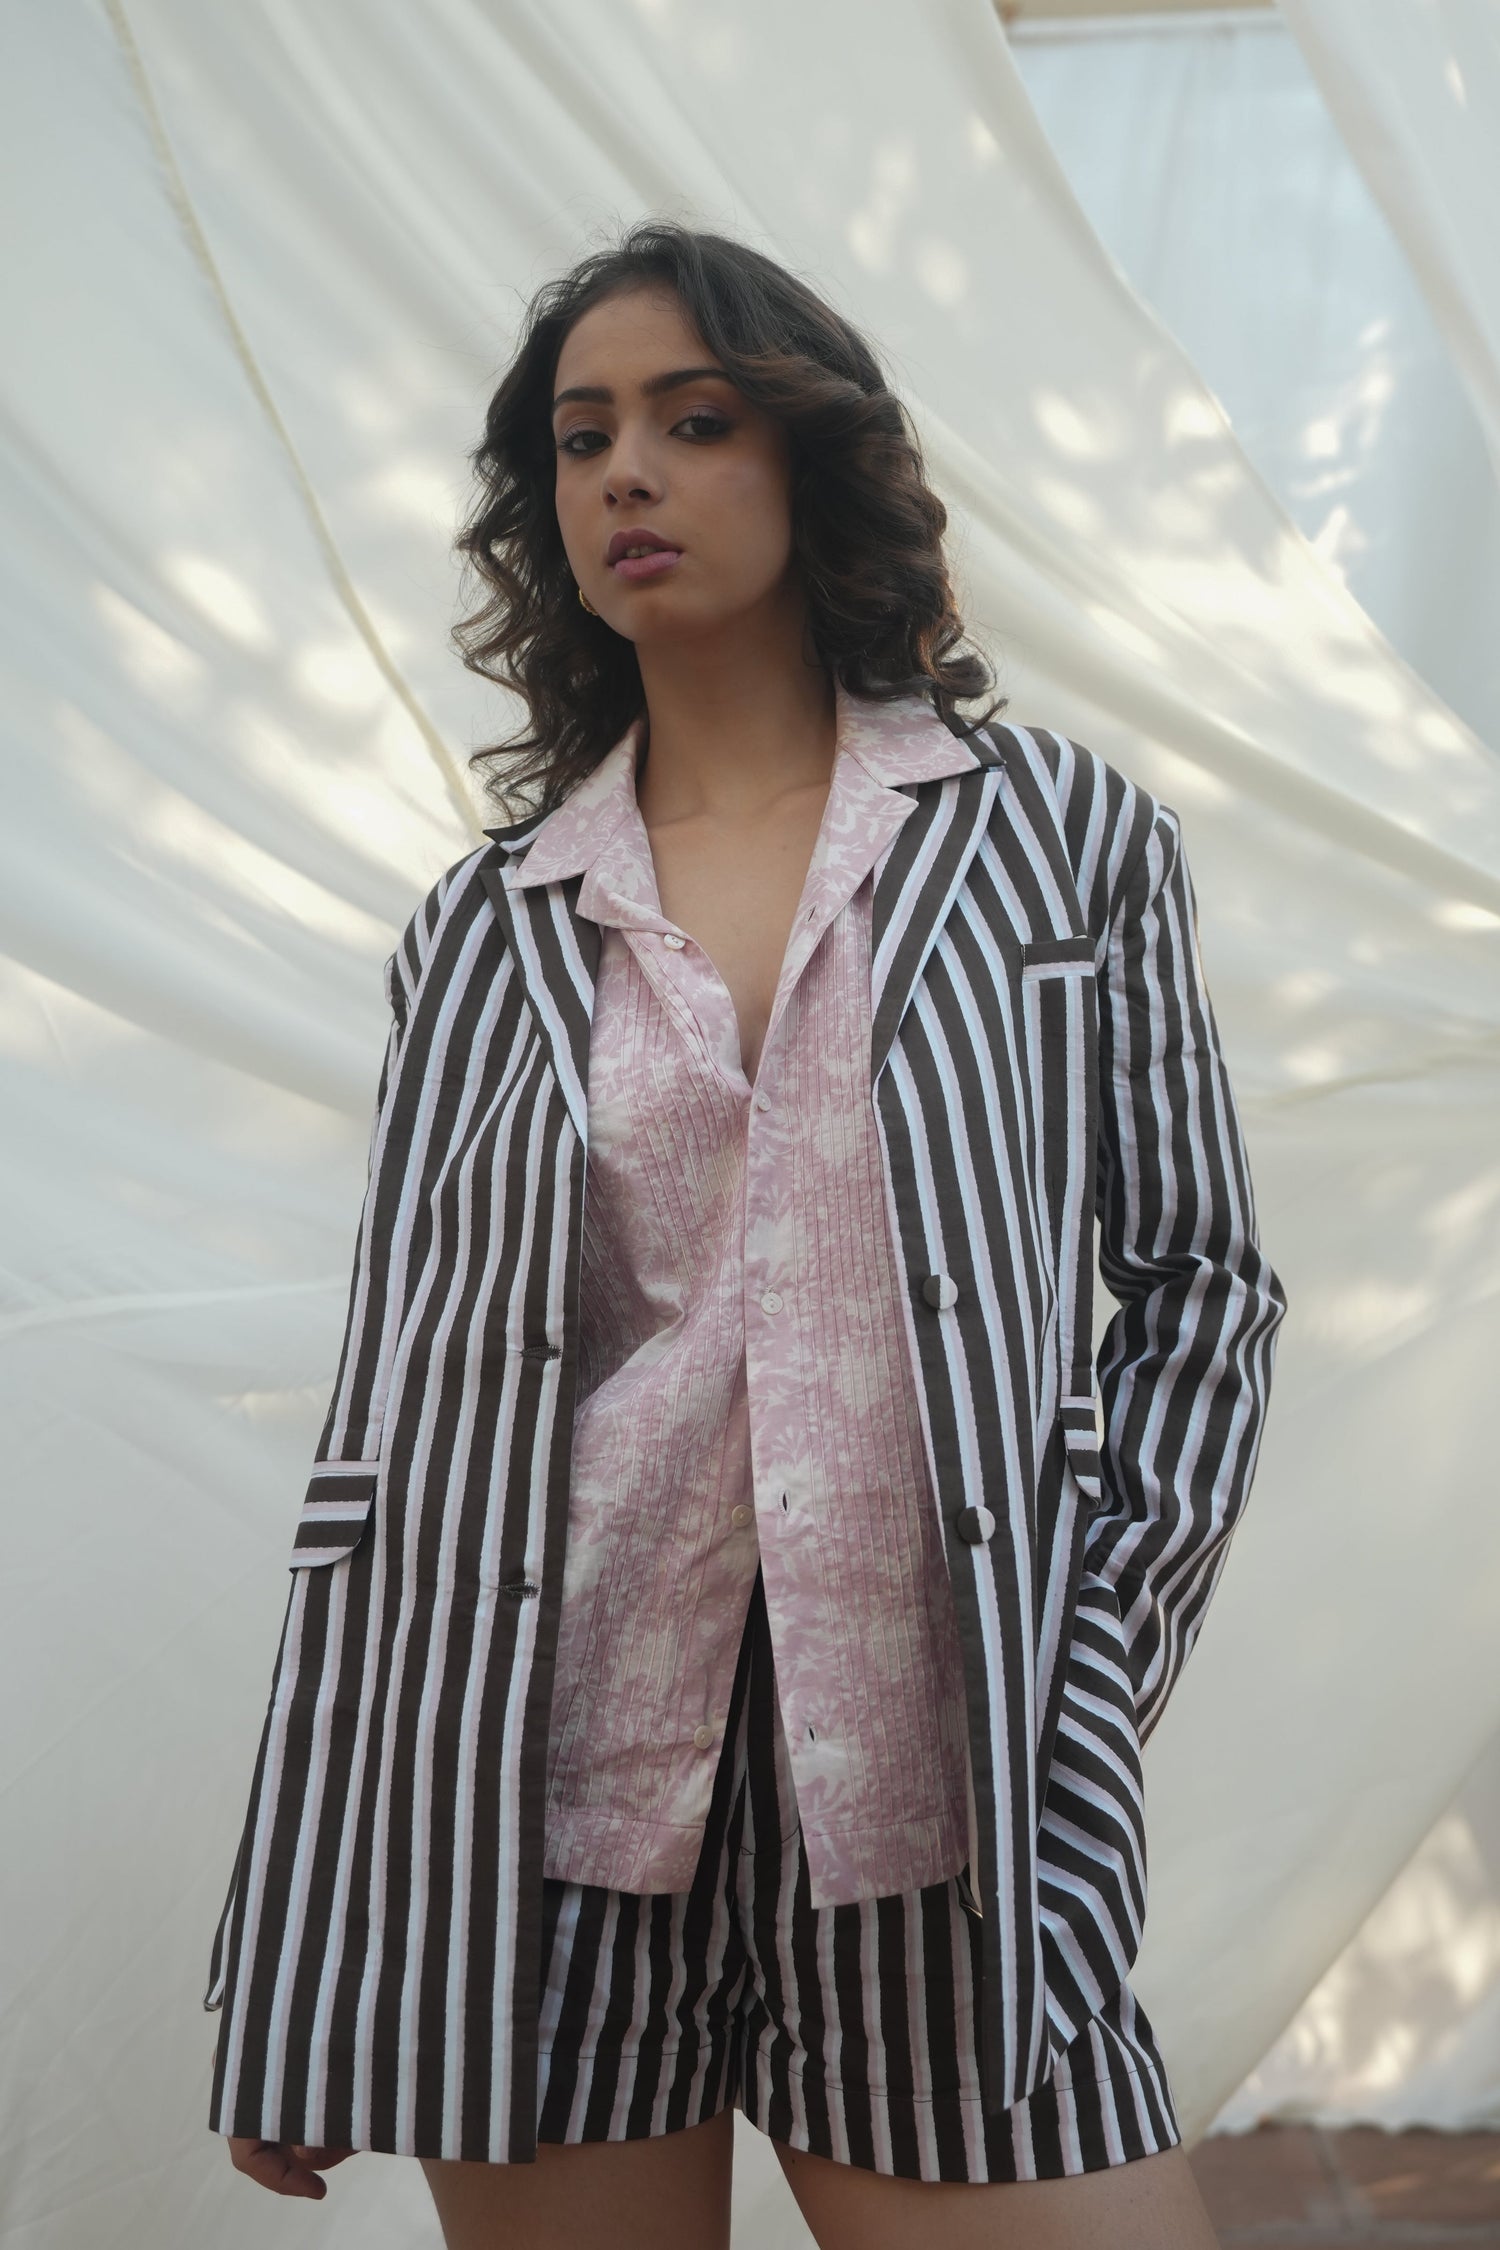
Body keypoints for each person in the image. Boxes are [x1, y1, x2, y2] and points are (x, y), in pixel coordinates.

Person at [207, 219, 1286, 2248]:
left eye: (695, 422)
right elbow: (394, 1447)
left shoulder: (1056, 841)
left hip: (938, 1791)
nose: (628, 470)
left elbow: (1201, 1288)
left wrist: (1088, 1664)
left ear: (810, 455)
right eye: (583, 435)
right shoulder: (487, 928)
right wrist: (313, 1934)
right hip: (545, 1801)